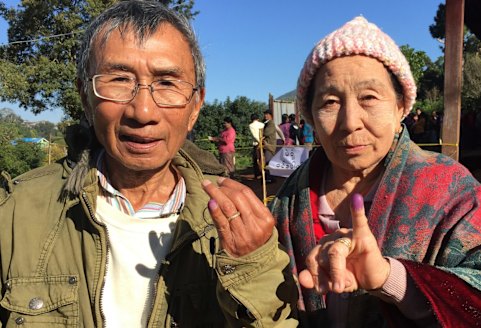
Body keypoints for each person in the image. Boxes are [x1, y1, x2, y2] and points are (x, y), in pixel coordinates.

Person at [0, 2, 297, 327]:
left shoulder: (239, 225)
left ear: (195, 105)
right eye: (119, 79)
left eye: (168, 83)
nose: (142, 112)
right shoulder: (15, 215)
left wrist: (250, 267)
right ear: (86, 97)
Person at [269, 17, 481, 327]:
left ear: (401, 106)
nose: (350, 121)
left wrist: (391, 278)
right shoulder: (289, 200)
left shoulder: (449, 188)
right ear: (312, 117)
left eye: (369, 98)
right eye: (330, 101)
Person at [262, 109, 283, 183]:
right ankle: (269, 177)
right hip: (267, 145)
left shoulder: (271, 123)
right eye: (265, 114)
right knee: (268, 161)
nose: (265, 116)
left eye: (267, 114)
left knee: (268, 162)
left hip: (269, 146)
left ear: (271, 115)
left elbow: (267, 133)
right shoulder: (266, 123)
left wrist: (261, 132)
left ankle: (269, 178)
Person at [248, 113, 265, 179]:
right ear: (258, 118)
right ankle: (263, 173)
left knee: (256, 159)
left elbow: (254, 135)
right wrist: (262, 141)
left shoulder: (251, 125)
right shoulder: (262, 124)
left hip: (256, 144)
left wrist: (259, 141)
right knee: (262, 158)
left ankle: (257, 174)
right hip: (262, 142)